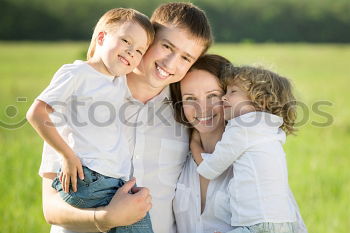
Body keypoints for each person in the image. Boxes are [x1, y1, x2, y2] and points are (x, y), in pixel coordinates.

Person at [34, 2, 212, 233]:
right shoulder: (84, 94)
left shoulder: (185, 113)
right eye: (166, 46)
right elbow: (51, 208)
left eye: (186, 58)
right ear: (146, 40)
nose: (170, 64)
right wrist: (106, 218)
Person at [27, 8, 155, 233]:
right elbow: (36, 113)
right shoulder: (77, 73)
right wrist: (67, 156)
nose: (131, 52)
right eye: (126, 40)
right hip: (90, 178)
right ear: (102, 37)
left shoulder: (118, 80)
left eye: (139, 51)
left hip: (111, 181)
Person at [191, 65, 308, 232]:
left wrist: (194, 142)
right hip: (286, 221)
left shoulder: (243, 127)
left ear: (261, 100)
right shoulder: (270, 129)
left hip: (258, 223)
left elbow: (210, 168)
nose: (224, 97)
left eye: (233, 92)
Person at [170, 54, 237, 233]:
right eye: (190, 98)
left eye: (212, 96)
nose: (202, 108)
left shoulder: (251, 160)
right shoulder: (179, 160)